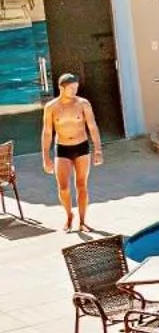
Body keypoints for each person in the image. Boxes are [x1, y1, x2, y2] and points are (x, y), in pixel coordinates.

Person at [41, 73, 104, 233]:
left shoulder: (83, 104)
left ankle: (82, 221)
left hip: (82, 147)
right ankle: (69, 215)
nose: (75, 91)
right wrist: (46, 157)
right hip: (62, 148)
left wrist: (98, 150)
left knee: (81, 185)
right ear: (61, 88)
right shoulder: (51, 107)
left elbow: (92, 126)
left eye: (76, 88)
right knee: (63, 187)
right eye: (71, 88)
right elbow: (47, 132)